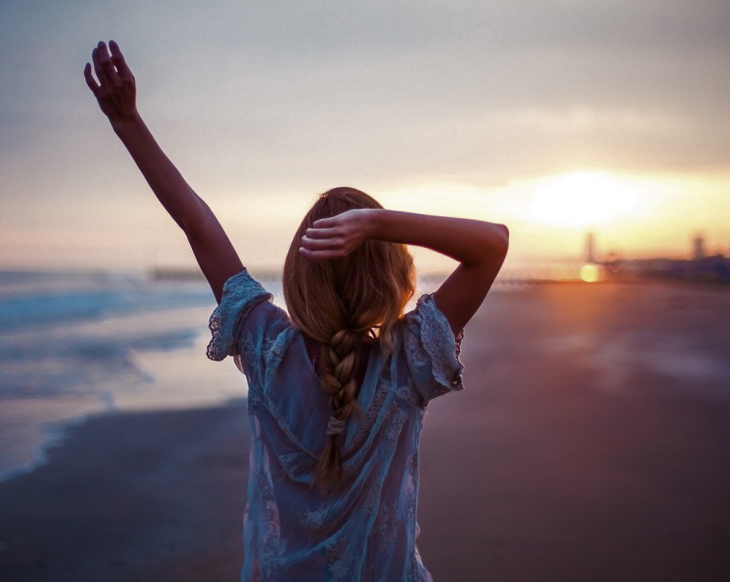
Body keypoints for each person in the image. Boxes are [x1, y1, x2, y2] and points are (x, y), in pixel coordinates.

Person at [85, 40, 509, 582]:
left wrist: (128, 124)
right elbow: (492, 244)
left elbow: (199, 226)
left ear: (297, 274)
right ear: (392, 275)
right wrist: (378, 225)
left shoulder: (267, 349)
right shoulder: (409, 362)